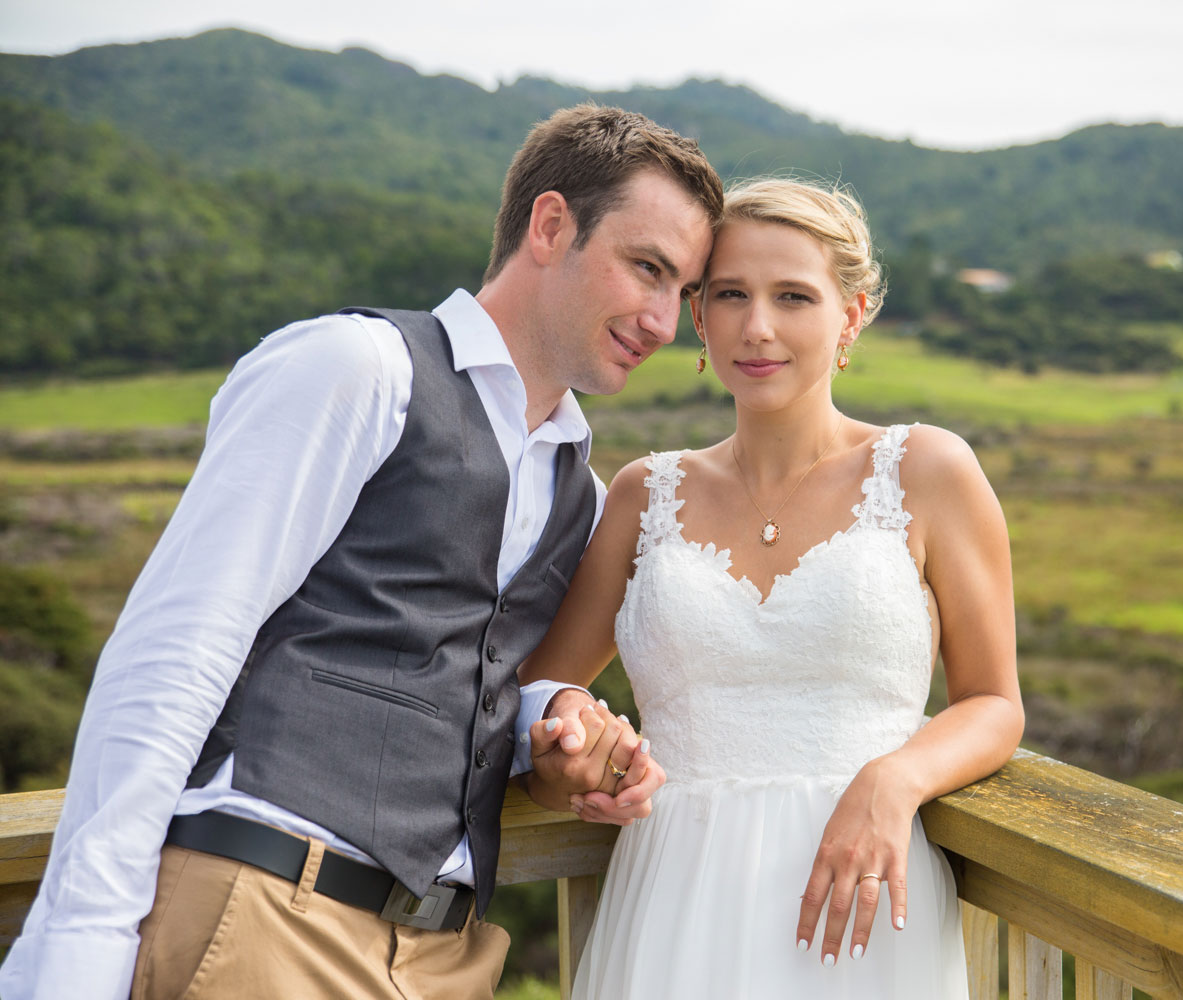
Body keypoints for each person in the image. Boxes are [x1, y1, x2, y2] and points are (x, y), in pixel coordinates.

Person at [0, 104, 722, 1000]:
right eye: (646, 268)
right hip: (266, 910)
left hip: (444, 957)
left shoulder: (575, 484)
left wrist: (554, 725)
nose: (662, 320)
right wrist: (78, 952)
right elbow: (176, 650)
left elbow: (463, 664)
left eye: (682, 291)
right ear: (549, 225)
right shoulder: (358, 366)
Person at [518, 178, 1025, 997]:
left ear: (850, 315)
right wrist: (573, 753)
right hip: (674, 901)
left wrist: (895, 779)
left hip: (859, 898)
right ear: (699, 317)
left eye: (794, 296)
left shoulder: (929, 471)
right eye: (730, 295)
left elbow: (994, 703)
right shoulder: (645, 495)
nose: (758, 328)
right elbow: (542, 697)